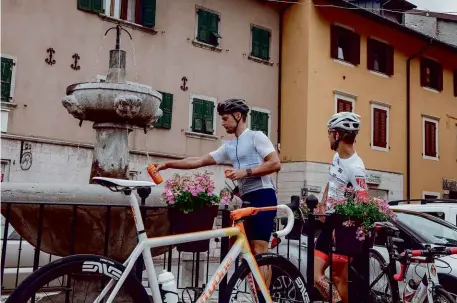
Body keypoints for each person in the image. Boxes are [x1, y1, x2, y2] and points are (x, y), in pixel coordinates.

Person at [150, 98, 281, 289]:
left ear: (238, 116)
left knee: (259, 249)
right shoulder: (229, 146)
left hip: (263, 194)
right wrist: (168, 164)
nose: (222, 122)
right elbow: (198, 161)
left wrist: (245, 172)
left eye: (225, 118)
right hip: (245, 199)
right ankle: (249, 292)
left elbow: (275, 163)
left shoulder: (256, 136)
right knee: (243, 251)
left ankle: (264, 297)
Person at [314, 112, 368, 303]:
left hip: (345, 226)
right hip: (330, 222)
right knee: (315, 274)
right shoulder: (337, 157)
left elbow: (363, 201)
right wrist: (323, 203)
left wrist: (346, 226)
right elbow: (332, 181)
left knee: (338, 278)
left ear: (337, 135)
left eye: (329, 133)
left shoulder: (356, 167)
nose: (328, 137)